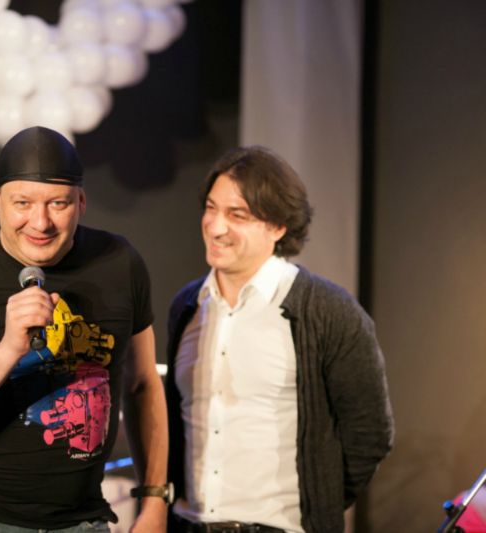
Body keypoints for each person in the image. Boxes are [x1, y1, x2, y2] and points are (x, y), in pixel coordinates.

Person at [0, 126, 168, 533]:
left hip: (82, 521)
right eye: (22, 203)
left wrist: (154, 500)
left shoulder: (121, 262)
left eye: (58, 203)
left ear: (81, 202)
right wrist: (8, 349)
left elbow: (142, 385)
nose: (40, 222)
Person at [165, 146, 394, 533]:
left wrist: (319, 501)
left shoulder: (328, 310)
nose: (216, 227)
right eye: (211, 208)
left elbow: (370, 434)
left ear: (278, 227)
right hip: (188, 524)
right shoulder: (188, 306)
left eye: (237, 215)